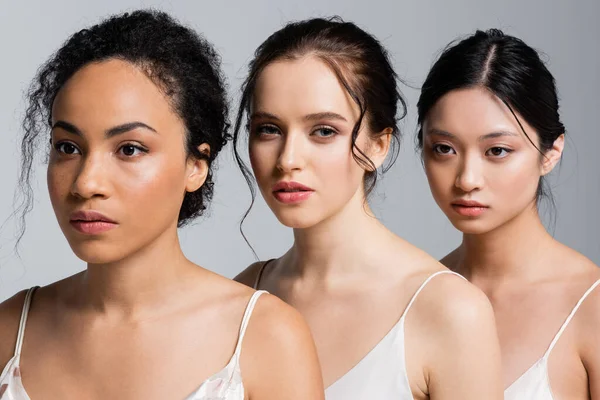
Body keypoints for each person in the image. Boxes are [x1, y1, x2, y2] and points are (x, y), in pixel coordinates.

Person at [0, 10, 323, 400]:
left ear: (195, 165)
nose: (87, 183)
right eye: (68, 148)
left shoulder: (265, 338)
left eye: (130, 149)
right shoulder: (9, 332)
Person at [235, 17, 503, 399]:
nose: (288, 158)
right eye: (269, 129)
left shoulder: (448, 310)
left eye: (323, 131)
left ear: (378, 145)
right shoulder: (245, 294)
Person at [417, 29, 600, 399]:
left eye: (497, 151)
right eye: (444, 149)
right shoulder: (418, 295)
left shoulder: (592, 307)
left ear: (550, 152)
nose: (467, 179)